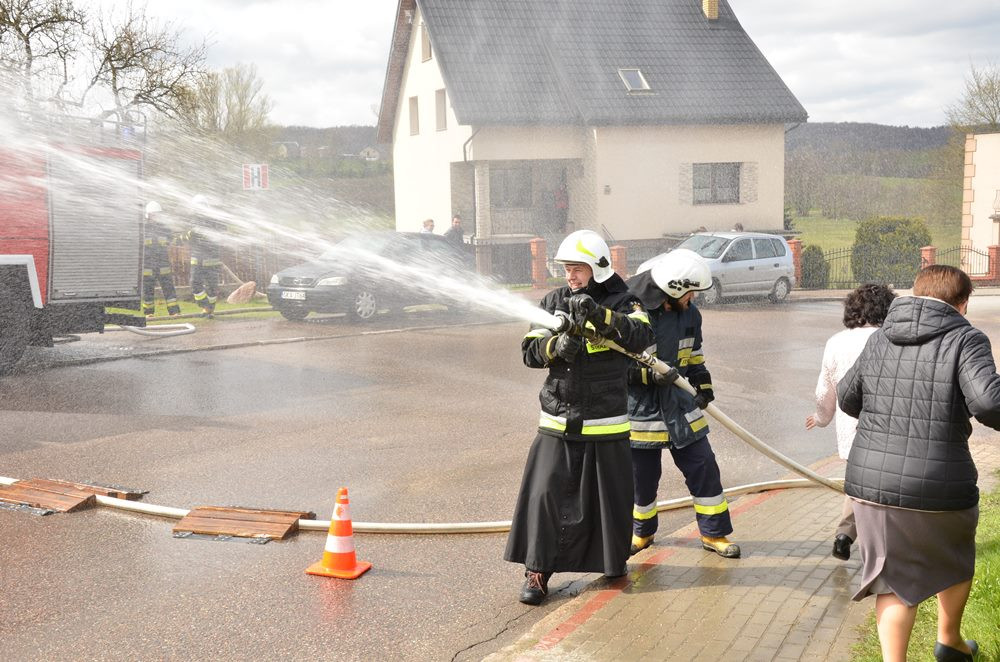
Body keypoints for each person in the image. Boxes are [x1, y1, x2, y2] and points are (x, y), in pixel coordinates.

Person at [838, 265, 1000, 662]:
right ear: (963, 303)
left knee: (891, 582)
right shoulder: (966, 338)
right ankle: (949, 641)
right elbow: (988, 402)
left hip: (872, 484)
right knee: (955, 558)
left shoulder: (879, 338)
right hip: (939, 483)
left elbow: (847, 397)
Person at [504, 229, 653, 606]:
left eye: (577, 269)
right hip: (558, 418)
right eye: (566, 268)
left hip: (606, 421)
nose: (569, 276)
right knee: (544, 496)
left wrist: (601, 316)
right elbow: (530, 351)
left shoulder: (624, 300)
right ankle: (537, 571)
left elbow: (641, 336)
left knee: (610, 499)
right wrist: (557, 346)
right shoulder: (553, 301)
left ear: (598, 268)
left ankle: (611, 561)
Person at [624, 249, 740, 559]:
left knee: (704, 466)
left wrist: (703, 385)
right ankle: (642, 532)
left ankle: (714, 533)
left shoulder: (690, 314)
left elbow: (695, 356)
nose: (693, 298)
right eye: (690, 292)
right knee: (642, 478)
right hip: (643, 412)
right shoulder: (633, 312)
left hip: (680, 404)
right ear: (674, 289)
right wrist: (648, 377)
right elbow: (617, 366)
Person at [805, 283, 896, 561]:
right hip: (887, 425)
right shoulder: (891, 338)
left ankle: (844, 535)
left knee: (857, 483)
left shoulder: (836, 342)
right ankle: (877, 545)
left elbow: (825, 390)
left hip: (850, 428)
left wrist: (821, 418)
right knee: (887, 485)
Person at [186, 194, 227, 317]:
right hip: (197, 259)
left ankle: (210, 310)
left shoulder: (213, 219)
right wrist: (188, 235)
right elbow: (189, 236)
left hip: (211, 259)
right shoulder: (193, 220)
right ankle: (205, 306)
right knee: (195, 284)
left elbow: (223, 231)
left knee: (212, 287)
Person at [141, 201, 181, 317]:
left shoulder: (164, 228)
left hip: (163, 264)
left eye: (157, 214)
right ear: (148, 215)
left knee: (168, 288)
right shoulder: (143, 228)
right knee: (148, 290)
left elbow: (172, 241)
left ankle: (174, 311)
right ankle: (149, 313)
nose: (155, 216)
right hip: (148, 265)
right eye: (153, 214)